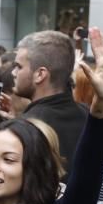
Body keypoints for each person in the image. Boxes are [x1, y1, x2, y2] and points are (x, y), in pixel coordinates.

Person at [12, 30, 88, 174]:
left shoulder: (26, 127)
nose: (13, 73)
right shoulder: (88, 115)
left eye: (19, 66)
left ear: (40, 74)